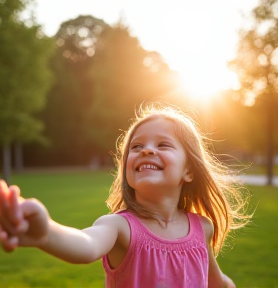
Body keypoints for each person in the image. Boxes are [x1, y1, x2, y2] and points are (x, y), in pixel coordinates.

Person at [0, 103, 251, 288]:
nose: (146, 150)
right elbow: (86, 246)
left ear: (188, 171)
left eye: (163, 145)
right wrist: (47, 233)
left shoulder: (201, 228)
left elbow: (219, 283)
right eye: (136, 146)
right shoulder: (119, 227)